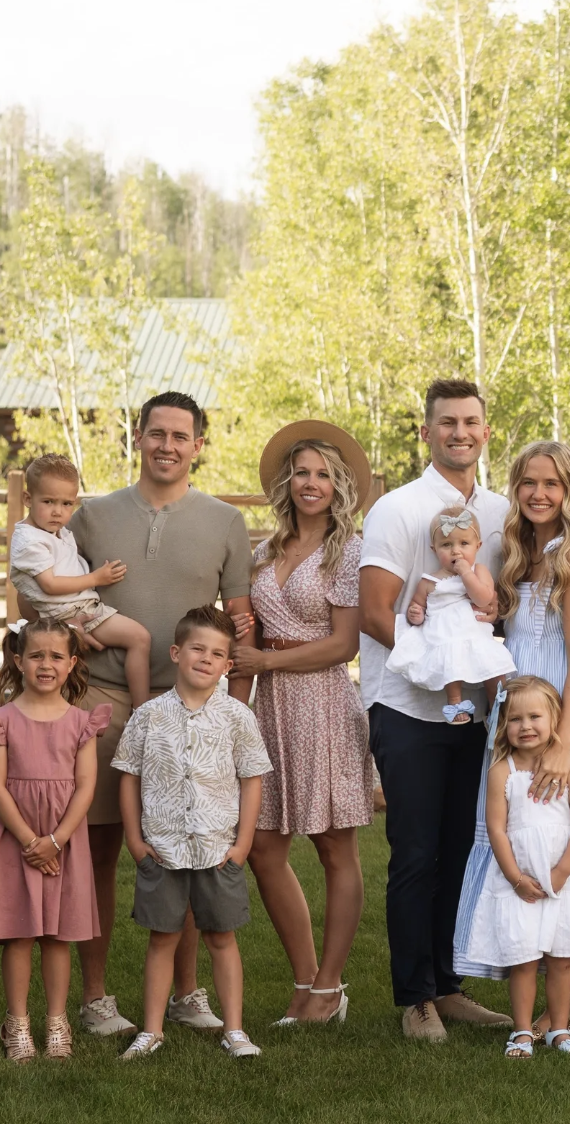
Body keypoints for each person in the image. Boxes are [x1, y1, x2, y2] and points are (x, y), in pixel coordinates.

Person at [49, 391, 255, 1037]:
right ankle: (95, 997)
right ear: (138, 437)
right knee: (98, 850)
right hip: (102, 699)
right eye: (157, 433)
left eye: (180, 436)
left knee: (189, 849)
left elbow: (239, 625)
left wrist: (232, 711)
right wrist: (70, 632)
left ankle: (187, 994)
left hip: (190, 709)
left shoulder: (225, 521)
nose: (168, 445)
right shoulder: (90, 516)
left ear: (199, 445)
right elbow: (43, 595)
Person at [453, 440, 570, 1033]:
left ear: (569, 491)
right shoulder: (509, 551)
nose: (539, 494)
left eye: (551, 484)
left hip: (564, 718)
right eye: (529, 482)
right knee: (521, 839)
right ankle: (530, 982)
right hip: (513, 716)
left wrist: (562, 742)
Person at [358, 377, 514, 1041]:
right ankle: (414, 996)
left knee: (459, 849)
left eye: (470, 422)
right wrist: (436, 663)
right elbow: (374, 611)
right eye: (447, 422)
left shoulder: (501, 512)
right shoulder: (397, 509)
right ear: (426, 432)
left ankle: (448, 986)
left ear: (485, 431)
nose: (460, 432)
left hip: (476, 711)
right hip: (408, 707)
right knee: (416, 853)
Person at [229, 423, 372, 1027]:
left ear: (339, 486)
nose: (311, 483)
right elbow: (247, 640)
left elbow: (343, 645)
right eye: (301, 473)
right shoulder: (263, 551)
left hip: (324, 704)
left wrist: (266, 662)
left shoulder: (349, 550)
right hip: (270, 708)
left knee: (335, 845)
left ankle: (331, 985)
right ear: (286, 482)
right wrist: (234, 715)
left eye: (323, 474)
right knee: (263, 847)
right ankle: (307, 980)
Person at [112, 606, 272, 1060]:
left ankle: (235, 1030)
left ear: (227, 665)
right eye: (198, 649)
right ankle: (152, 1031)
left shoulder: (237, 716)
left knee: (221, 937)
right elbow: (129, 777)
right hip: (161, 848)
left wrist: (242, 844)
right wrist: (134, 840)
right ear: (176, 653)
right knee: (162, 938)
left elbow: (252, 780)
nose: (206, 659)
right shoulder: (148, 716)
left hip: (218, 849)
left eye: (217, 654)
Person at [0, 619, 108, 1062]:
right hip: (14, 839)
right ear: (18, 661)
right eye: (36, 655)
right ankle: (17, 1024)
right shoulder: (1, 721)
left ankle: (57, 1022)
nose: (46, 664)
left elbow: (86, 788)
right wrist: (30, 842)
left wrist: (55, 841)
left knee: (57, 936)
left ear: (71, 663)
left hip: (63, 840)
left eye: (56, 656)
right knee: (19, 934)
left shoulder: (81, 723)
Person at [461, 677, 570, 1059]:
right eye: (515, 718)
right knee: (523, 959)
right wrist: (516, 878)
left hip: (562, 880)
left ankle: (559, 1028)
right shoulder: (502, 771)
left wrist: (561, 872)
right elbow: (496, 829)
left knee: (562, 959)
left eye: (535, 717)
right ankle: (522, 1030)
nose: (525, 726)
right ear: (503, 724)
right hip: (520, 881)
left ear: (554, 719)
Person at [7, 454, 151, 702]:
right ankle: (142, 711)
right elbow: (50, 585)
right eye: (48, 501)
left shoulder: (54, 532)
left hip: (74, 608)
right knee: (140, 638)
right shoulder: (30, 541)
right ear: (28, 499)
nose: (58, 512)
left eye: (67, 504)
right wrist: (96, 578)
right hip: (71, 611)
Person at [384, 506, 516, 722]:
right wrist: (415, 613)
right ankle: (455, 703)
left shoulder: (479, 571)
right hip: (445, 635)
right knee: (451, 668)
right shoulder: (429, 580)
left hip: (475, 634)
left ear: (478, 546)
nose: (456, 551)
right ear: (434, 549)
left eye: (464, 544)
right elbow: (418, 604)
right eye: (446, 545)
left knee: (493, 668)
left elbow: (483, 599)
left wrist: (466, 574)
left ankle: (499, 708)